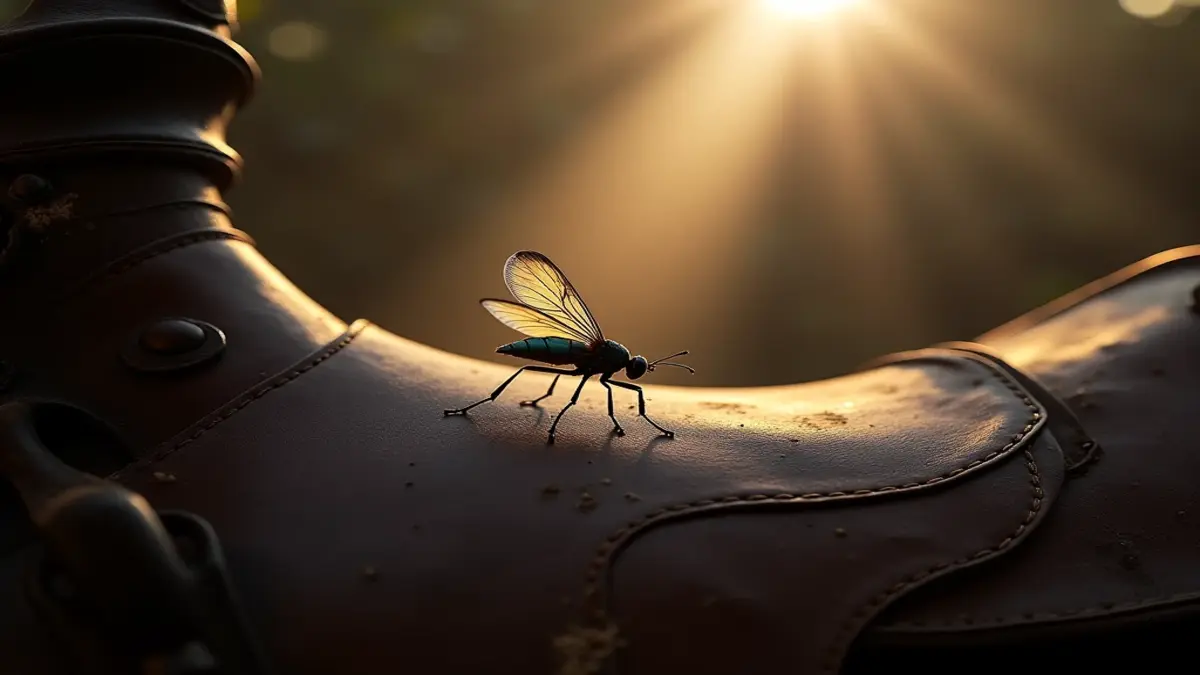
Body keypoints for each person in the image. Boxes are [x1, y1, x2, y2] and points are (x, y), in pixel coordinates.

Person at [1, 2, 1198, 674]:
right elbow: (570, 374)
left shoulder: (599, 366)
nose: (622, 379)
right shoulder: (581, 354)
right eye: (620, 369)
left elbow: (589, 384)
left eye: (621, 372)